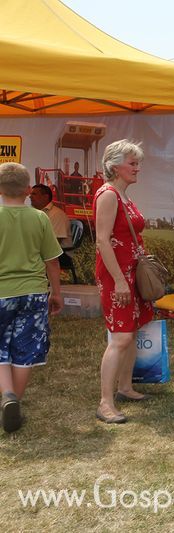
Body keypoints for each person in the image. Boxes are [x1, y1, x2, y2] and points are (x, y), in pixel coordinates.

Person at [93, 140, 154, 424]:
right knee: (120, 336)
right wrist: (118, 280)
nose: (137, 169)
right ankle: (105, 402)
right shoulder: (108, 195)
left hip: (129, 273)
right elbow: (102, 241)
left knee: (130, 330)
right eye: (132, 163)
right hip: (117, 274)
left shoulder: (122, 195)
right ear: (115, 165)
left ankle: (125, 387)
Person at [0, 163, 63, 433]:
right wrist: (57, 293)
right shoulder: (40, 218)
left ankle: (7, 397)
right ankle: (15, 402)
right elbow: (52, 261)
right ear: (28, 190)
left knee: (1, 347)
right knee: (25, 351)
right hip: (34, 293)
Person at [29, 184, 71, 249]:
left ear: (45, 197)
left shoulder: (57, 215)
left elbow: (54, 243)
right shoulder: (36, 213)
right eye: (30, 194)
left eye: (34, 194)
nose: (30, 197)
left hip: (60, 256)